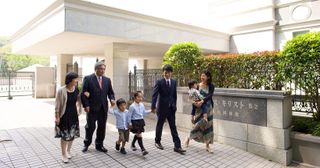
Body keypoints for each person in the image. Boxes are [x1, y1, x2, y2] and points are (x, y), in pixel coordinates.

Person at [81, 61, 115, 153]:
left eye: (104, 69)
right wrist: (86, 105)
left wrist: (112, 99)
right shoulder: (88, 78)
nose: (103, 70)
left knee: (102, 127)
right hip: (91, 108)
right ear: (96, 69)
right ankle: (86, 144)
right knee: (90, 127)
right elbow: (83, 93)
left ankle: (99, 145)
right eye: (101, 69)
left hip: (103, 109)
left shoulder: (107, 80)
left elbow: (110, 92)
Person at [151, 64, 186, 154]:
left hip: (171, 109)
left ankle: (177, 146)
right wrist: (153, 106)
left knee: (173, 127)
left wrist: (174, 105)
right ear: (163, 73)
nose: (167, 74)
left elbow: (174, 95)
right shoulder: (159, 82)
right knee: (160, 125)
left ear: (171, 73)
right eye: (165, 72)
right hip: (162, 108)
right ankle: (157, 141)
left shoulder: (174, 82)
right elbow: (154, 95)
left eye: (169, 72)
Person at [185, 70, 215, 153]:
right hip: (199, 109)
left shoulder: (211, 86)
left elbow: (210, 96)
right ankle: (188, 138)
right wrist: (192, 114)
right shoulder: (197, 86)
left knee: (208, 127)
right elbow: (194, 99)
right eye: (201, 75)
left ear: (208, 77)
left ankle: (207, 146)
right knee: (197, 125)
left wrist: (202, 101)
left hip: (209, 109)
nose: (202, 77)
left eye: (204, 76)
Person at [55, 72, 81, 163]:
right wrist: (57, 117)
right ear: (70, 80)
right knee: (65, 136)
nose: (77, 81)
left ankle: (68, 151)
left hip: (74, 115)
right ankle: (63, 154)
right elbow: (57, 105)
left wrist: (78, 108)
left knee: (72, 134)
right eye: (76, 79)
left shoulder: (76, 89)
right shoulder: (61, 90)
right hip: (64, 115)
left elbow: (78, 100)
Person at [128, 91, 151, 156]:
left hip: (141, 121)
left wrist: (151, 111)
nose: (140, 98)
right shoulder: (132, 106)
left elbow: (144, 113)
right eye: (138, 97)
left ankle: (132, 144)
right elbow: (129, 116)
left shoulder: (142, 105)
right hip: (135, 122)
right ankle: (143, 149)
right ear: (135, 98)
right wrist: (129, 123)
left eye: (141, 97)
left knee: (138, 134)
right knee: (139, 135)